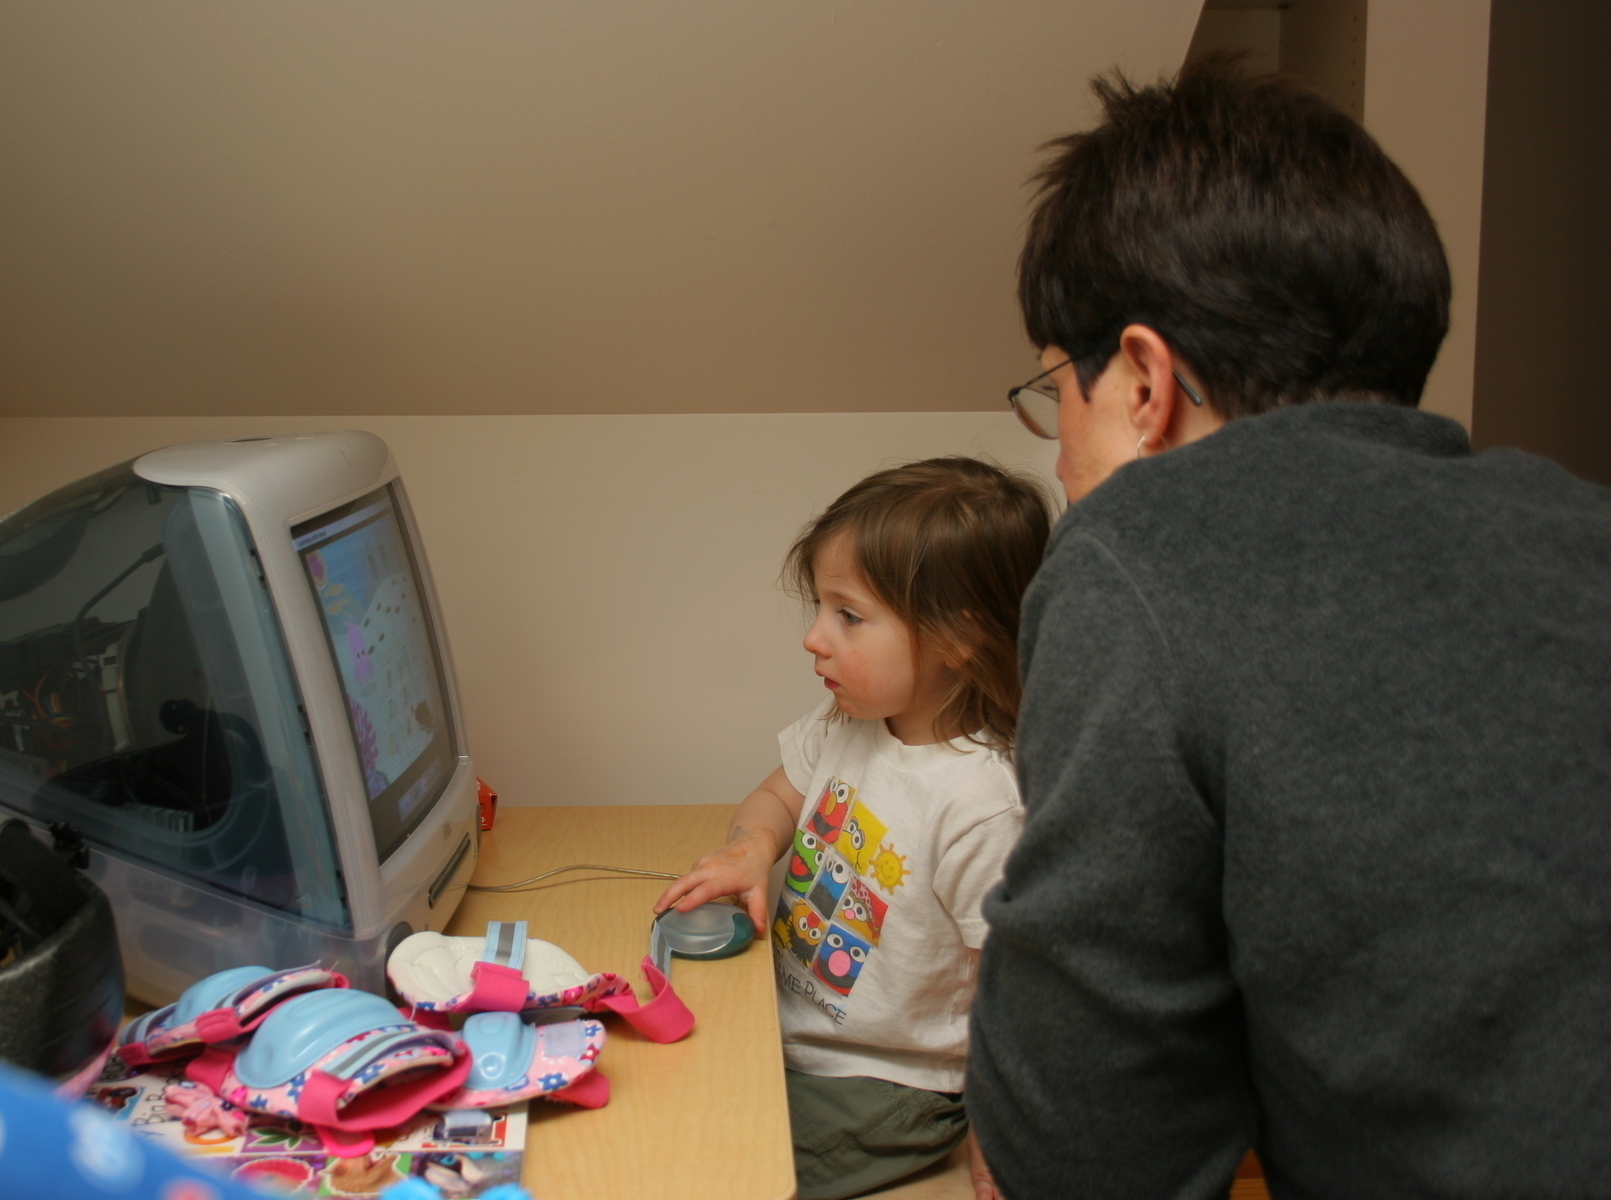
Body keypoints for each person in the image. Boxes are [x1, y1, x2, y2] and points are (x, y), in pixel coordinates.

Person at [967, 59, 1611, 1198]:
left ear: (1143, 381)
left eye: (1055, 392)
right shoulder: (1579, 518)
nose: (1058, 453)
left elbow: (1081, 1154)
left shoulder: (1138, 550)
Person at [655, 456, 1049, 1200]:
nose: (814, 638)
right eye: (819, 608)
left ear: (956, 639)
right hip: (789, 1029)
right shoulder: (852, 722)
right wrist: (753, 846)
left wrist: (1001, 1136)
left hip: (888, 1084)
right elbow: (777, 794)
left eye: (848, 616)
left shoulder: (983, 804)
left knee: (718, 1163)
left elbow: (1014, 995)